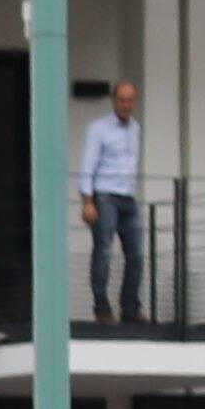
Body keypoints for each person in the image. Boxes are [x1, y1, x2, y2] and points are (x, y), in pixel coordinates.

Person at [75, 79, 145, 324]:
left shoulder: (135, 128)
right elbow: (88, 165)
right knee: (103, 251)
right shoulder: (99, 129)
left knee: (136, 254)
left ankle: (130, 307)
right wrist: (87, 201)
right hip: (105, 196)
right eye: (122, 100)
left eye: (130, 100)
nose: (126, 105)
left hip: (128, 197)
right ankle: (101, 305)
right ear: (114, 101)